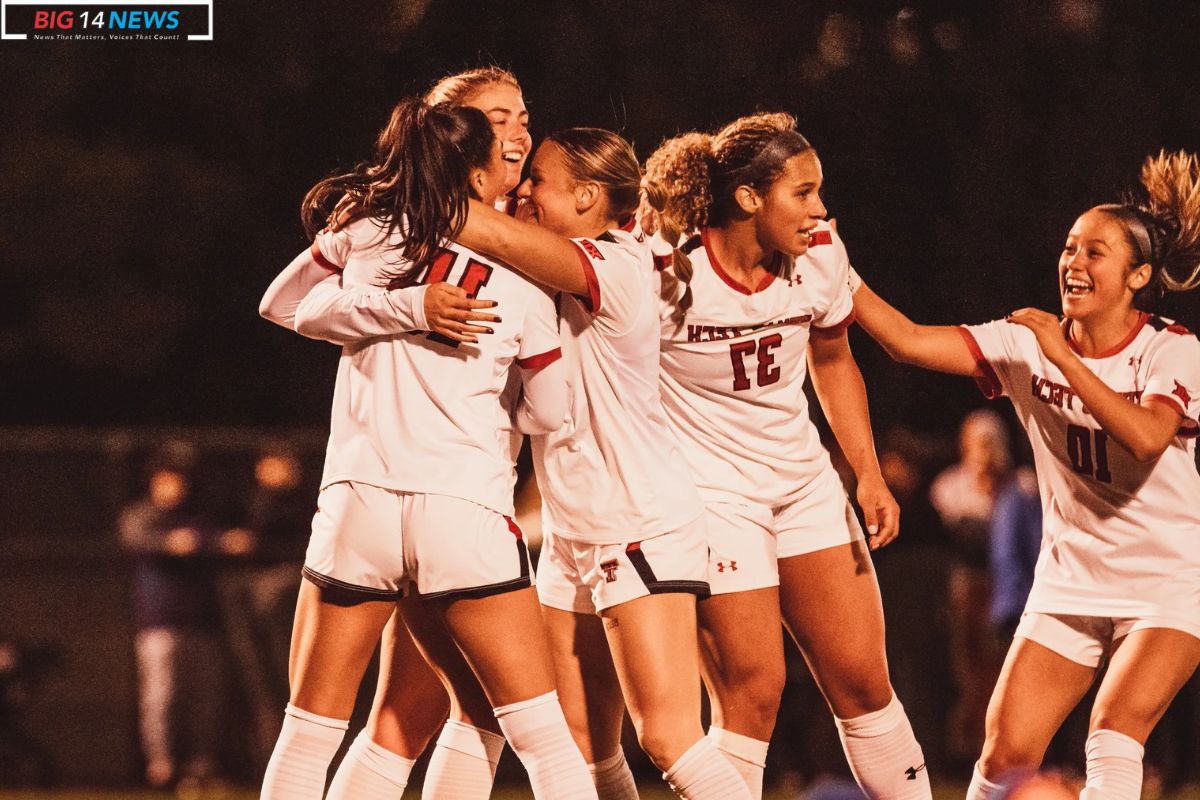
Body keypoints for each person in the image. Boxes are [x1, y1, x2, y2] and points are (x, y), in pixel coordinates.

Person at [258, 98, 596, 800]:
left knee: (308, 733)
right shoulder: (529, 273)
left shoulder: (370, 232)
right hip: (463, 512)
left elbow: (288, 306)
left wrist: (398, 308)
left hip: (361, 504)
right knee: (539, 737)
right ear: (475, 175)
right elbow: (550, 413)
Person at [848, 150, 1200, 798]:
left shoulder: (1170, 347)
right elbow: (905, 339)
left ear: (1139, 275)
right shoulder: (1027, 342)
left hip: (1169, 577)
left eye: (1097, 252)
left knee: (1114, 730)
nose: (1074, 262)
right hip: (1072, 579)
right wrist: (834, 277)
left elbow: (1148, 436)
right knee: (1004, 754)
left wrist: (1062, 354)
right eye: (1070, 248)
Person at [454, 128, 755, 799]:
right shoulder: (594, 252)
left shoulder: (612, 259)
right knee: (581, 743)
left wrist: (411, 190)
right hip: (573, 529)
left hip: (637, 522)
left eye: (540, 179)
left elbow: (494, 235)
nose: (523, 189)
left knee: (669, 737)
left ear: (588, 195)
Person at [637, 114, 930, 799]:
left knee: (864, 681)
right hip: (712, 496)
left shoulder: (820, 250)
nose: (820, 208)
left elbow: (832, 358)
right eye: (802, 192)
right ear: (748, 198)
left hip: (801, 484)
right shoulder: (666, 263)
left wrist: (866, 474)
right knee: (754, 695)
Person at [118, 441, 237, 790]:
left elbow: (222, 541)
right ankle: (161, 766)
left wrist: (205, 543)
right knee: (160, 698)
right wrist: (175, 543)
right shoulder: (140, 516)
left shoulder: (197, 518)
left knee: (206, 699)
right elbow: (140, 540)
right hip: (158, 623)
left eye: (179, 479)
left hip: (202, 622)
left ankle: (201, 766)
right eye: (166, 479)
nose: (173, 486)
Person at [928, 409, 1013, 764]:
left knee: (1002, 670)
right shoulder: (949, 487)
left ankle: (1003, 745)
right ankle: (965, 749)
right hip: (968, 587)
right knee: (969, 669)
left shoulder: (1018, 488)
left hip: (1008, 588)